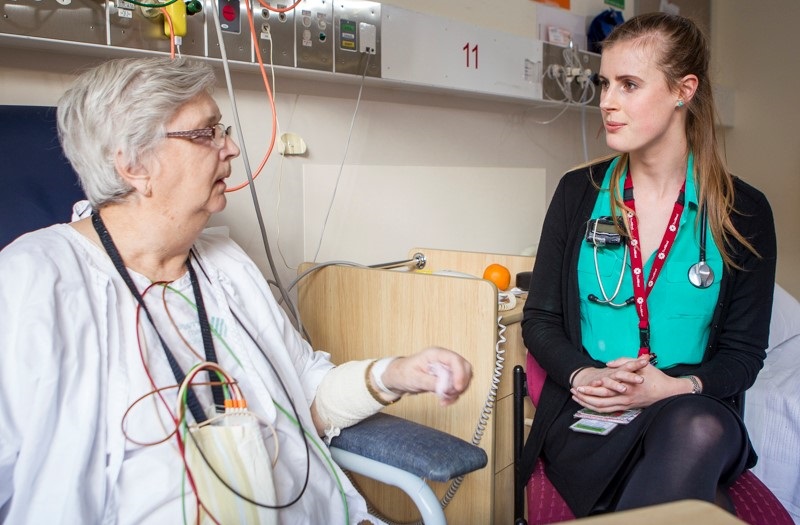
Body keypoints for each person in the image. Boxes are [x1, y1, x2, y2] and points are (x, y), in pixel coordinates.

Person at [0, 56, 473, 524]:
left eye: (221, 130)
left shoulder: (225, 263)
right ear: (134, 165)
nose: (230, 148)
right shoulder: (35, 279)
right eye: (206, 133)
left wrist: (394, 375)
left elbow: (306, 393)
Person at [520, 12, 776, 518]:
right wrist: (580, 375)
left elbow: (743, 355)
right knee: (698, 497)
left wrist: (675, 387)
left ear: (684, 90)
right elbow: (541, 319)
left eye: (629, 85)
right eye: (604, 84)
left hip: (690, 405)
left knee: (695, 430)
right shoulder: (579, 194)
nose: (607, 103)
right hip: (594, 412)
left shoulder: (744, 211)